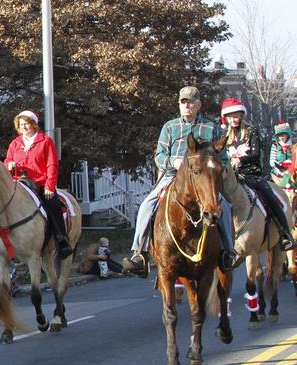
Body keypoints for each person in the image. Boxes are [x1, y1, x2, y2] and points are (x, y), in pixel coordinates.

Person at [125, 86, 236, 275]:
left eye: (190, 102)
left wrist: (213, 167)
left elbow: (223, 157)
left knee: (224, 205)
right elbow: (159, 155)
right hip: (172, 175)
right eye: (183, 102)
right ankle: (139, 253)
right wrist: (172, 161)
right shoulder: (170, 127)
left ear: (198, 105)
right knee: (146, 205)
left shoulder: (211, 127)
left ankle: (228, 252)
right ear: (179, 104)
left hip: (202, 177)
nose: (186, 105)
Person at [221, 98, 295, 250]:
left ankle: (285, 233)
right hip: (231, 177)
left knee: (271, 197)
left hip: (251, 174)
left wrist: (239, 159)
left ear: (241, 116)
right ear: (226, 119)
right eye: (230, 117)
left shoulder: (251, 131)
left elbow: (255, 154)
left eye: (236, 116)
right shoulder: (224, 137)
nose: (233, 120)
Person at [4, 110, 74, 259]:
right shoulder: (15, 143)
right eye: (21, 124)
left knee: (53, 204)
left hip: (40, 183)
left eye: (26, 124)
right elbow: (7, 160)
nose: (23, 127)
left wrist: (49, 186)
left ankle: (62, 240)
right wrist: (9, 165)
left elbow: (52, 165)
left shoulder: (45, 141)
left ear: (34, 125)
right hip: (20, 183)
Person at [269, 122, 294, 189]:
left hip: (292, 170)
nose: (281, 137)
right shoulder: (275, 145)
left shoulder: (293, 145)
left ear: (287, 135)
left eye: (283, 135)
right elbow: (272, 160)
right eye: (279, 136)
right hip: (278, 171)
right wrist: (278, 167)